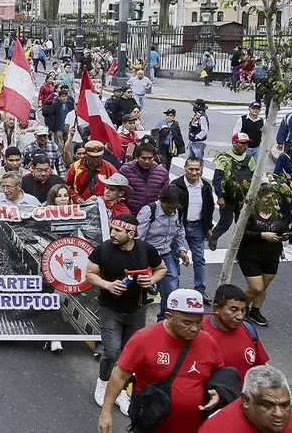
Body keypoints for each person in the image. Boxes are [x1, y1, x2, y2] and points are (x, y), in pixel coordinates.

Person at [98, 289, 224, 433]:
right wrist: (106, 413)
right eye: (187, 322)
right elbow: (119, 376)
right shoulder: (143, 339)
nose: (195, 328)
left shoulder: (208, 342)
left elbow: (219, 373)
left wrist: (219, 391)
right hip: (150, 427)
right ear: (169, 317)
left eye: (199, 321)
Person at [87, 214, 167, 414]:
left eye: (118, 230)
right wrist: (107, 285)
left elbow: (161, 268)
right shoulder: (104, 249)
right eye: (112, 229)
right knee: (111, 352)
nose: (112, 233)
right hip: (110, 309)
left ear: (131, 234)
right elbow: (89, 274)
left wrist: (151, 280)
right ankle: (103, 382)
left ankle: (122, 391)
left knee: (130, 354)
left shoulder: (146, 250)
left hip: (136, 310)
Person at [137, 185, 192, 321]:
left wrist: (182, 250)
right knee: (138, 290)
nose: (171, 211)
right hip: (146, 255)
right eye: (168, 207)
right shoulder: (149, 211)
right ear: (160, 200)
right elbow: (139, 237)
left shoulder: (179, 211)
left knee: (171, 290)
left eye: (174, 207)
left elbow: (180, 230)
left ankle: (164, 320)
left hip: (165, 255)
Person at [198, 365, 292, 432]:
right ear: (246, 401)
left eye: (284, 405)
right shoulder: (216, 429)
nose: (279, 414)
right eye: (268, 405)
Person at [238, 185, 290, 327]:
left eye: (273, 198)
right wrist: (262, 235)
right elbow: (241, 232)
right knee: (256, 288)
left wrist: (285, 235)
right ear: (259, 198)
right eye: (267, 197)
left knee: (263, 287)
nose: (271, 200)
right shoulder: (250, 213)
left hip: (271, 256)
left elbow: (286, 228)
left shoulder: (278, 214)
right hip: (250, 255)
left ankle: (255, 311)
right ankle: (240, 307)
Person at [201, 284, 269, 382]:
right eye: (234, 310)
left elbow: (260, 368)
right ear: (216, 308)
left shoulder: (248, 330)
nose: (240, 316)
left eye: (243, 310)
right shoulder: (199, 333)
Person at [170, 157, 216, 301]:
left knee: (199, 259)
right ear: (185, 168)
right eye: (191, 169)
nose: (194, 172)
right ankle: (174, 289)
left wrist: (208, 227)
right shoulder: (176, 185)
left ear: (201, 170)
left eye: (197, 169)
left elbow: (209, 208)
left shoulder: (205, 186)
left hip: (198, 227)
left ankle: (200, 289)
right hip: (179, 227)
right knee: (175, 257)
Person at [209, 133, 257, 251]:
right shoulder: (224, 158)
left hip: (243, 197)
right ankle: (213, 237)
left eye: (247, 144)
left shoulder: (249, 159)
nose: (245, 146)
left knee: (242, 224)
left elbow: (254, 177)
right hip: (227, 197)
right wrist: (220, 196)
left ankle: (240, 248)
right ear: (234, 143)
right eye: (242, 144)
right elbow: (217, 179)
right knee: (225, 222)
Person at [119, 143, 171, 215]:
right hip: (130, 213)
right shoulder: (126, 170)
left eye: (150, 158)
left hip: (153, 215)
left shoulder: (162, 172)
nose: (147, 161)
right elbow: (118, 191)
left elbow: (165, 194)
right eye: (143, 158)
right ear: (136, 157)